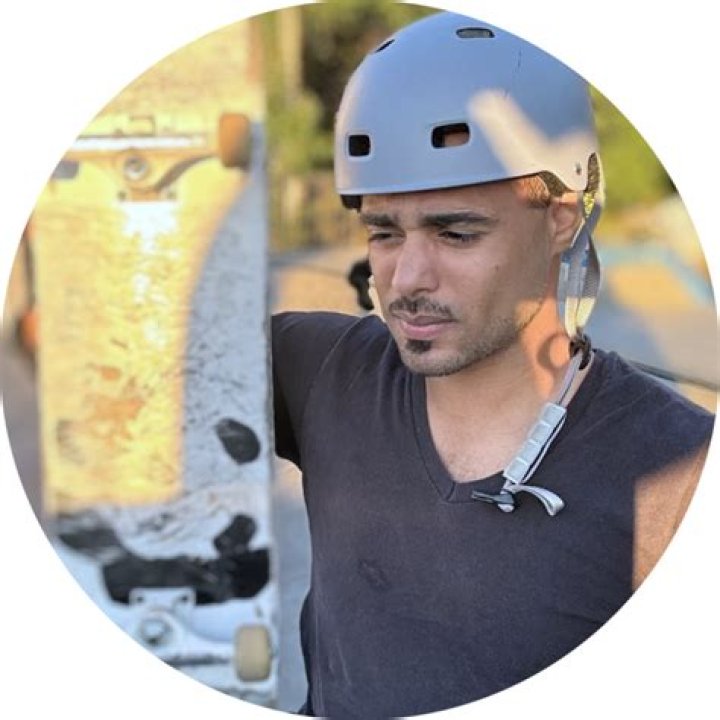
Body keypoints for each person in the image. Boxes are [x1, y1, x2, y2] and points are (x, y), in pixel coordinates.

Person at [271, 11, 714, 718]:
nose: (408, 278)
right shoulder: (318, 370)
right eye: (384, 233)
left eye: (455, 233)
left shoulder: (675, 473)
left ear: (561, 218)